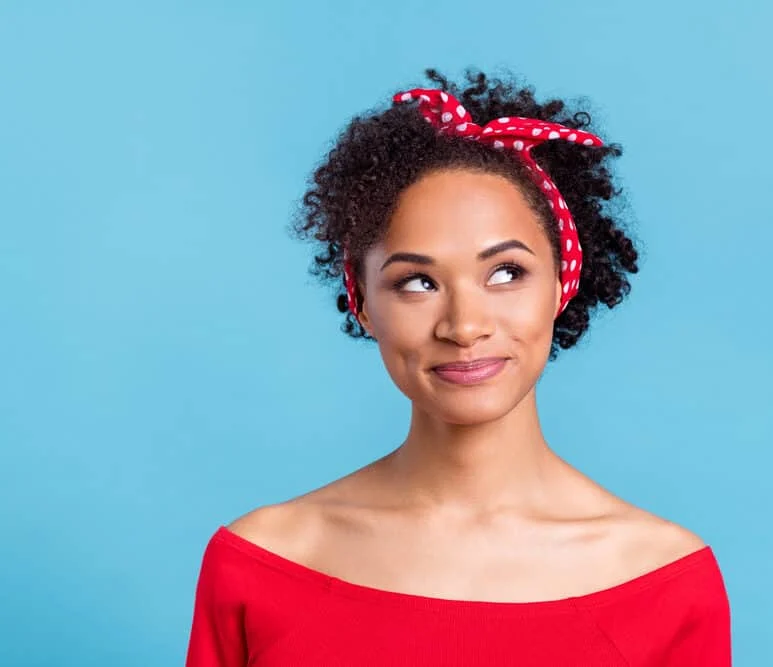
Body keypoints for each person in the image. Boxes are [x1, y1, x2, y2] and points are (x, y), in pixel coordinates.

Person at [185, 67, 731, 666]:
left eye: (506, 273)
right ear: (363, 304)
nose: (465, 326)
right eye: (416, 282)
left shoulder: (667, 581)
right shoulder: (260, 563)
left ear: (561, 284)